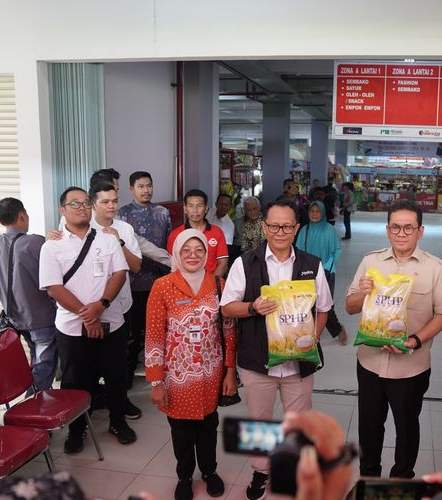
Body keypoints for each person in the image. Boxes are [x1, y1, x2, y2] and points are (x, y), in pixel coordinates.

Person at [220, 200, 332, 500]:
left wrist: (314, 337)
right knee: (259, 420)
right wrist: (252, 307)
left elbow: (323, 309)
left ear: (297, 228)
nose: (280, 231)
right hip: (258, 361)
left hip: (300, 364)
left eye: (287, 226)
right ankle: (261, 471)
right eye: (273, 225)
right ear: (264, 227)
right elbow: (227, 307)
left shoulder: (312, 264)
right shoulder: (245, 263)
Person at [345, 200, 442, 479]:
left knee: (407, 428)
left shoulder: (434, 267)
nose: (401, 233)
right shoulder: (371, 261)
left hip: (411, 366)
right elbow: (350, 306)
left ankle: (400, 481)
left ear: (420, 231)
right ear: (387, 229)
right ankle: (369, 479)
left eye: (409, 227)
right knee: (369, 426)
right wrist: (363, 292)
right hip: (370, 363)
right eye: (396, 227)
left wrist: (416, 340)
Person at [39, 187, 136, 453]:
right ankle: (77, 428)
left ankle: (118, 421)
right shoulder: (52, 245)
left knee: (116, 376)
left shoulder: (107, 239)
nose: (81, 207)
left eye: (85, 203)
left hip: (111, 322)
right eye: (74, 203)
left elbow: (119, 274)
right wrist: (88, 314)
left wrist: (101, 306)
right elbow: (53, 288)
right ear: (63, 210)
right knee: (75, 380)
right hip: (71, 328)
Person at [145, 229, 236, 500]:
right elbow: (153, 335)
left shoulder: (219, 284)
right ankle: (184, 476)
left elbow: (229, 331)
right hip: (178, 377)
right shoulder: (163, 285)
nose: (193, 255)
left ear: (207, 254)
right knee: (182, 432)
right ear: (176, 253)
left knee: (209, 427)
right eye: (186, 250)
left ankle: (209, 471)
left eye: (199, 250)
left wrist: (230, 370)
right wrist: (156, 380)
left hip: (211, 374)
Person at [0, 198, 57, 391]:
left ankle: (30, 404)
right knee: (43, 366)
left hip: (12, 319)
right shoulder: (37, 243)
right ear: (22, 216)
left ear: (1, 221)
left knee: (29, 364)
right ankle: (33, 408)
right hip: (41, 319)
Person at [117, 171, 172, 388]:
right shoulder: (122, 215)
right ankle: (128, 380)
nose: (146, 190)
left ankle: (162, 376)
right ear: (131, 189)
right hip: (131, 284)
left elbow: (166, 247)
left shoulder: (163, 212)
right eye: (141, 186)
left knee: (160, 331)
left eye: (149, 185)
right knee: (132, 336)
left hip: (159, 281)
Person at [295, 200, 348, 345]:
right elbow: (298, 251)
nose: (314, 214)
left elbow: (336, 250)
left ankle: (337, 330)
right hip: (306, 272)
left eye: (318, 211)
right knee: (307, 303)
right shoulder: (304, 230)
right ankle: (308, 331)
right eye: (312, 211)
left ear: (323, 213)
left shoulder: (329, 230)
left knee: (326, 304)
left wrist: (327, 267)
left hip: (326, 270)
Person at [167, 189, 229, 277]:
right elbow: (172, 264)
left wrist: (211, 285)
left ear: (206, 209)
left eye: (199, 206)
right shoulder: (175, 234)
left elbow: (223, 264)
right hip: (183, 286)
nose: (195, 210)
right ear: (185, 209)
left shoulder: (217, 232)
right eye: (191, 206)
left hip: (211, 285)